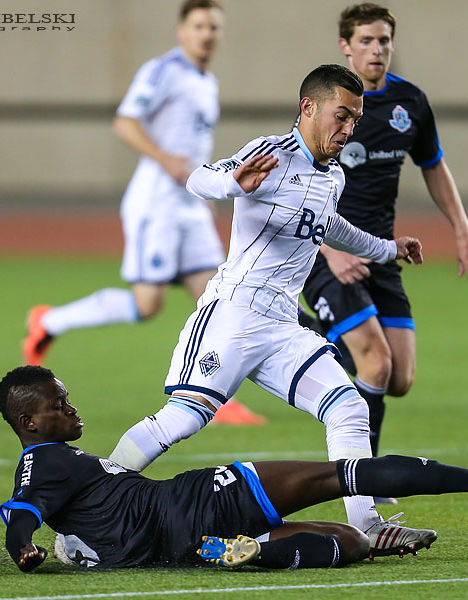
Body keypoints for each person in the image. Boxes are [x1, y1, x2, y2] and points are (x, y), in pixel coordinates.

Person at [102, 63, 444, 559]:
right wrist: (235, 184)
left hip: (284, 325)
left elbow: (331, 229)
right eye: (340, 116)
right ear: (308, 108)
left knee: (348, 407)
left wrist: (389, 249)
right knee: (182, 420)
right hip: (233, 315)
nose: (348, 130)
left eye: (354, 120)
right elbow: (202, 178)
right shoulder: (271, 154)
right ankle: (89, 504)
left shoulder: (333, 176)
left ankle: (368, 527)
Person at [0, 366, 468, 571]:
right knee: (343, 474)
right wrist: (21, 548)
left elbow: (35, 515)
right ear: (30, 421)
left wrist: (46, 545)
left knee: (353, 543)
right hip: (199, 500)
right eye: (58, 405)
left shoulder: (57, 473)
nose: (71, 410)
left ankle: (255, 552)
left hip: (181, 545)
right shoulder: (43, 461)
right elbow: (19, 514)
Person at [20, 0, 263, 425]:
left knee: (218, 297)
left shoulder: (207, 81)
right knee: (147, 304)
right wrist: (163, 158)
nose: (208, 33)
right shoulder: (163, 70)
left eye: (214, 27)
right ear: (181, 31)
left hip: (191, 205)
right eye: (200, 25)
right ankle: (49, 320)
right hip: (157, 204)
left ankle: (216, 395)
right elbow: (126, 120)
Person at [300, 4, 468, 479]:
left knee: (399, 377)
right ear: (345, 45)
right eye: (366, 40)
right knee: (375, 363)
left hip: (379, 251)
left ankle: (306, 335)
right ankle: (364, 478)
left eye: (384, 40)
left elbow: (434, 166)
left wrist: (463, 232)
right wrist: (331, 249)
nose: (376, 49)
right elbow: (295, 182)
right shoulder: (330, 103)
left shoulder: (412, 104)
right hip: (327, 253)